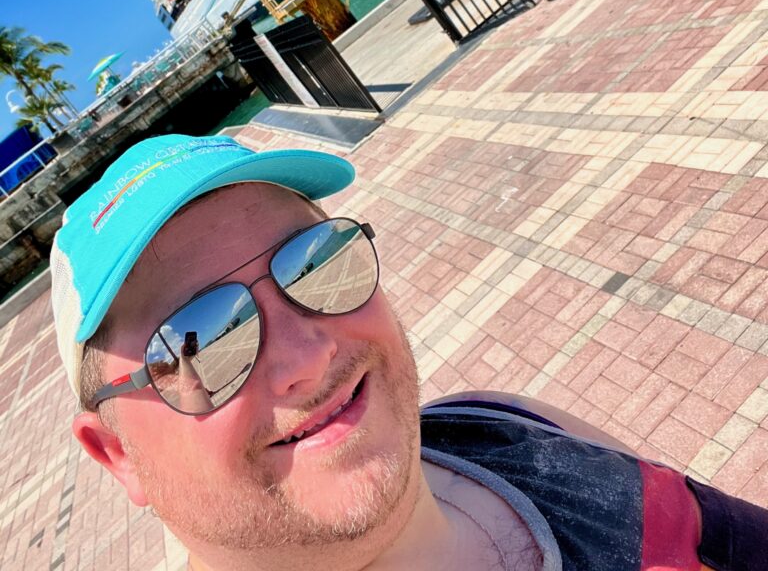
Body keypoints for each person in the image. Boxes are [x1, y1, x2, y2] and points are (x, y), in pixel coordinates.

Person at [51, 134, 767, 571]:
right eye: (199, 340)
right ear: (116, 455)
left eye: (312, 262)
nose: (307, 351)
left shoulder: (501, 422)